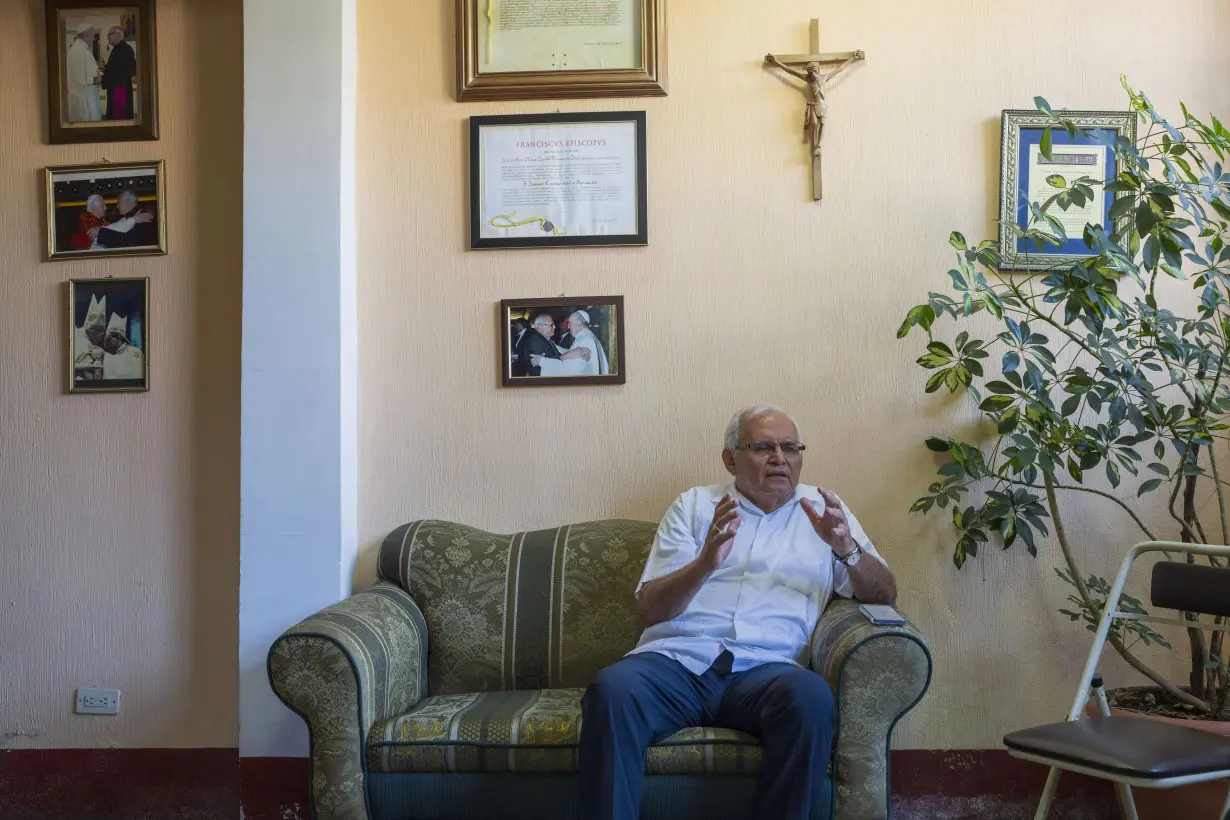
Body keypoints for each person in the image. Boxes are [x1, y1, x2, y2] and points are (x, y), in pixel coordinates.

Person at [579, 405, 897, 820]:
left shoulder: (823, 511)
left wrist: (847, 549)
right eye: (763, 447)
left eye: (790, 448)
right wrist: (706, 561)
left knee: (811, 699)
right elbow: (651, 610)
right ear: (731, 458)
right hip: (678, 664)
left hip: (768, 671)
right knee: (612, 690)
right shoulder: (695, 506)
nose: (779, 458)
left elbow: (884, 594)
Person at [533, 310, 608, 376]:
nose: (568, 327)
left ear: (579, 323)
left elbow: (569, 370)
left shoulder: (585, 340)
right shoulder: (586, 336)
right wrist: (554, 345)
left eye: (570, 323)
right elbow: (572, 352)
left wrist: (542, 361)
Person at [66, 23, 102, 122]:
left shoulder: (73, 50)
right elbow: (95, 79)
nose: (94, 39)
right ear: (86, 34)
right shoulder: (83, 52)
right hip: (86, 101)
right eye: (93, 35)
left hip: (77, 98)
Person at [101, 26, 137, 121]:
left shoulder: (125, 50)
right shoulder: (117, 49)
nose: (108, 37)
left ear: (119, 35)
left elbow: (120, 72)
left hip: (120, 90)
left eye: (110, 35)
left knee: (119, 117)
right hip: (116, 88)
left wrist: (103, 78)